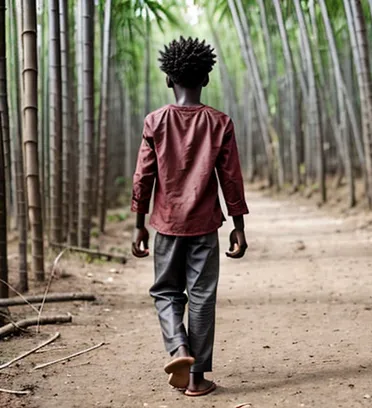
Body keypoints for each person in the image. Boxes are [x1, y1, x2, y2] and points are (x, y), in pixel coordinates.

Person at [130, 36, 248, 397]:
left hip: (166, 224)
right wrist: (238, 225)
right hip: (205, 225)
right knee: (201, 296)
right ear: (207, 79)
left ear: (168, 79)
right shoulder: (219, 122)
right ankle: (197, 378)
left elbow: (143, 176)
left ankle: (178, 348)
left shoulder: (156, 121)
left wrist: (138, 224)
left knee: (166, 291)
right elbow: (230, 177)